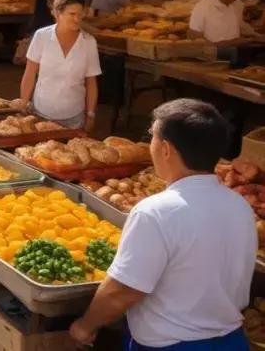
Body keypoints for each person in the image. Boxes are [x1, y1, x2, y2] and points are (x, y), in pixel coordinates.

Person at [69, 98, 255, 349]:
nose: (150, 146)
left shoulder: (155, 212)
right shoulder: (240, 207)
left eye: (152, 138)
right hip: (231, 341)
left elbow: (123, 291)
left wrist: (85, 326)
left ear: (166, 149)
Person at [19, 0, 101, 131]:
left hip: (74, 118)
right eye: (72, 14)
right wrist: (23, 103)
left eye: (80, 14)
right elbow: (30, 73)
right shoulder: (42, 36)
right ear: (58, 14)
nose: (77, 19)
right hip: (40, 114)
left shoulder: (89, 42)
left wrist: (91, 114)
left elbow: (91, 82)